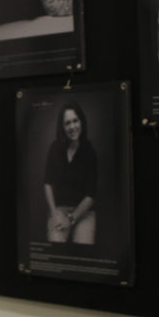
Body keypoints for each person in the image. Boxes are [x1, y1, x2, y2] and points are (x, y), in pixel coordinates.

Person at [43, 101, 96, 245]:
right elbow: (47, 184)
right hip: (59, 210)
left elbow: (91, 196)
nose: (72, 127)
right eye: (67, 123)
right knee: (55, 246)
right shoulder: (55, 148)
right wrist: (54, 214)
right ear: (62, 126)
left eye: (75, 121)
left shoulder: (89, 152)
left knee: (83, 247)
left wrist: (72, 219)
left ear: (81, 122)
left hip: (84, 213)